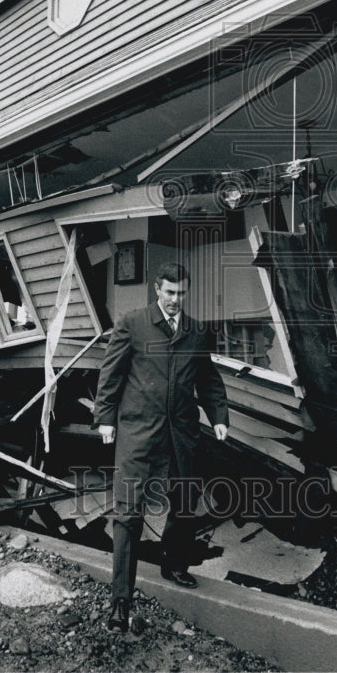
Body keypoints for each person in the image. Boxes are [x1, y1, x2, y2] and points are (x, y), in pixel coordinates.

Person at [94, 261, 229, 633]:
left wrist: (218, 415)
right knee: (128, 513)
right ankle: (120, 600)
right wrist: (105, 418)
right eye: (169, 293)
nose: (175, 300)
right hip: (138, 432)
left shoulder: (197, 331)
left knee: (185, 502)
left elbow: (208, 378)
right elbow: (111, 374)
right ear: (158, 290)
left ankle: (173, 564)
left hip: (182, 433)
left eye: (181, 293)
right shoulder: (133, 324)